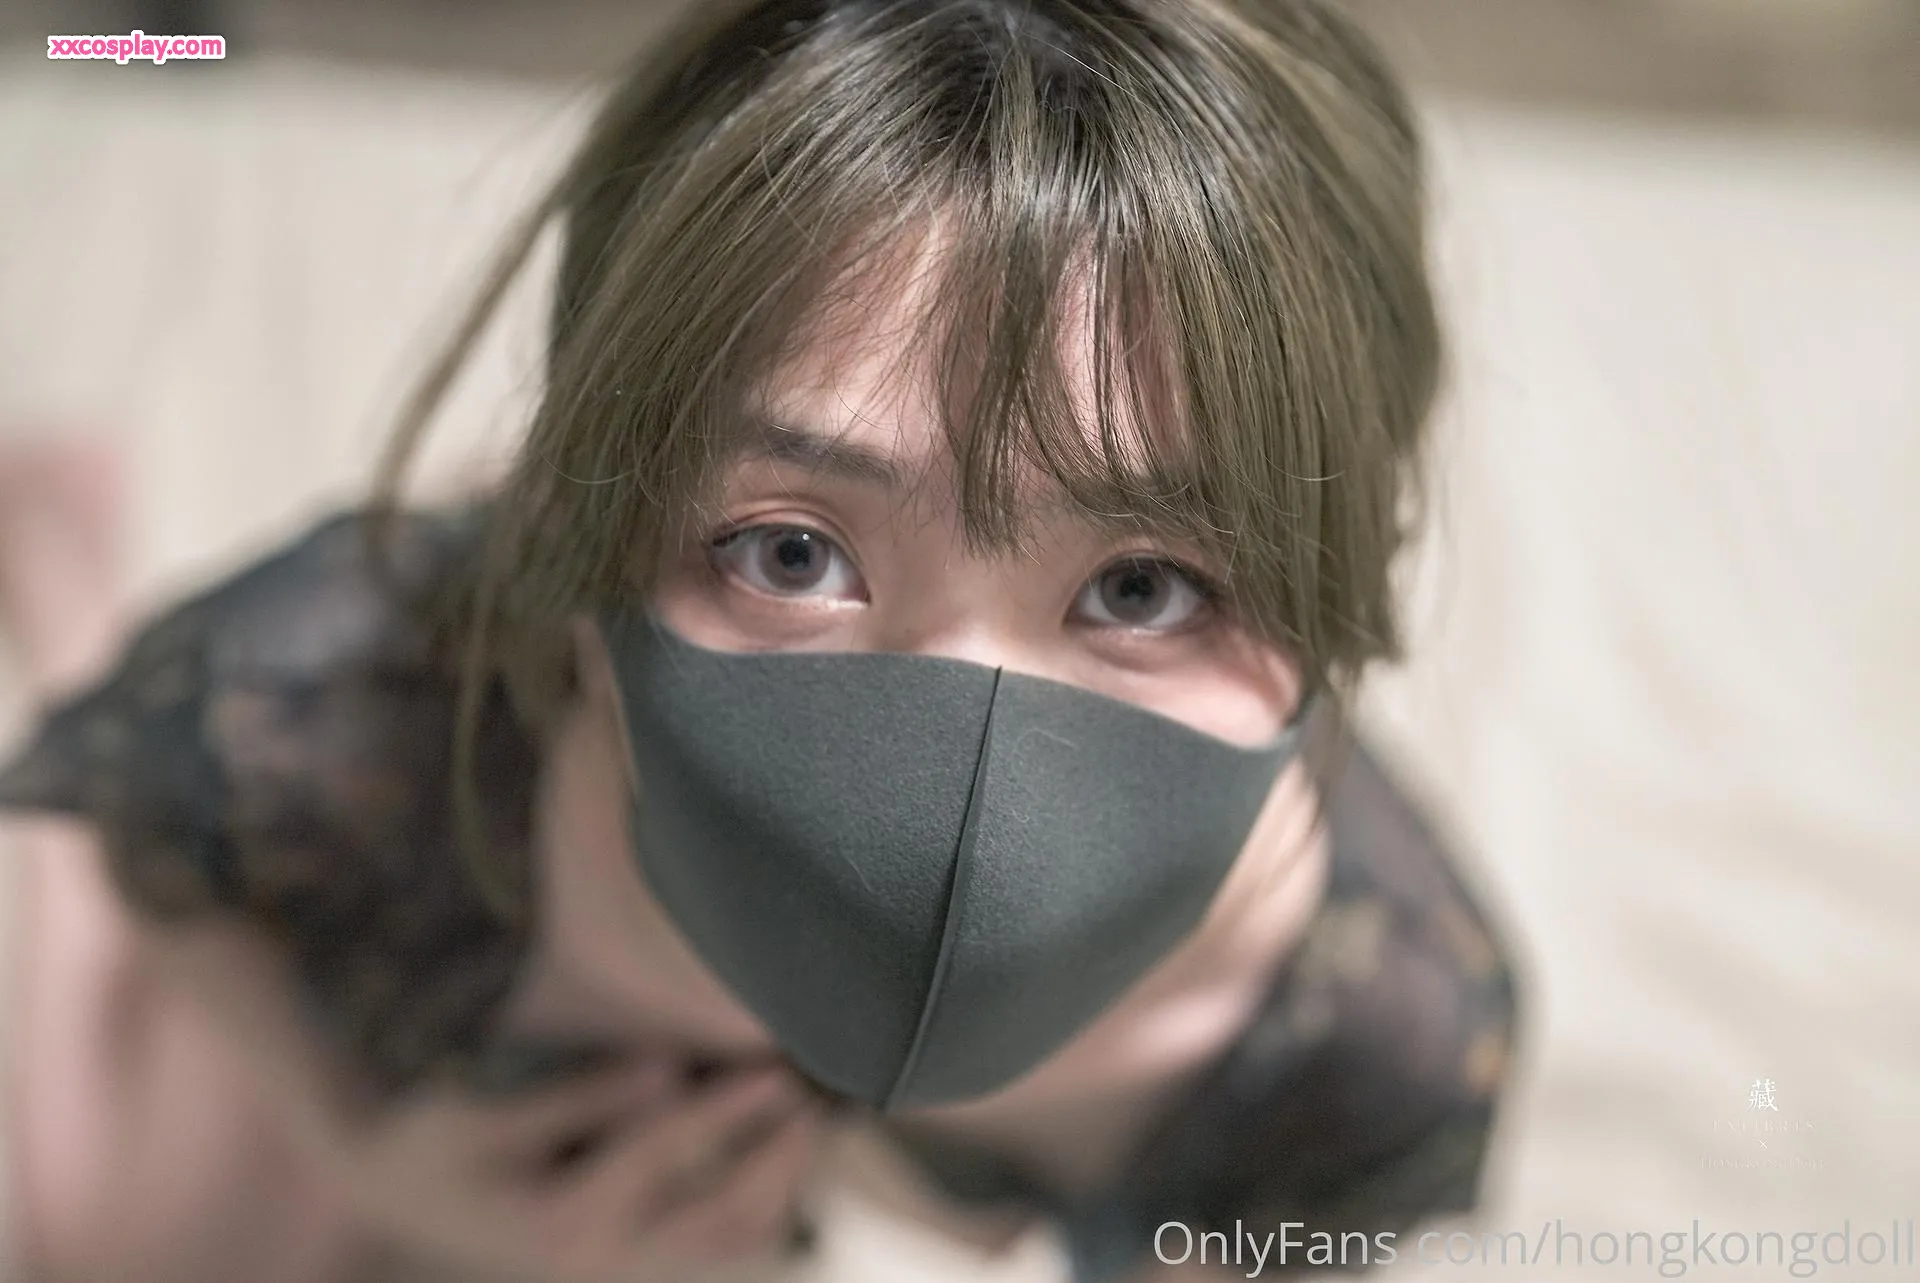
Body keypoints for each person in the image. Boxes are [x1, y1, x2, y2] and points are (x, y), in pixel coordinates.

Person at [0, 1, 1519, 1280]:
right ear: (585, 524)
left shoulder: (1367, 1046)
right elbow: (160, 847)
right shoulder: (351, 709)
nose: (958, 804)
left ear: (1336, 588)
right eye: (794, 554)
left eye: (1141, 588)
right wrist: (367, 1155)